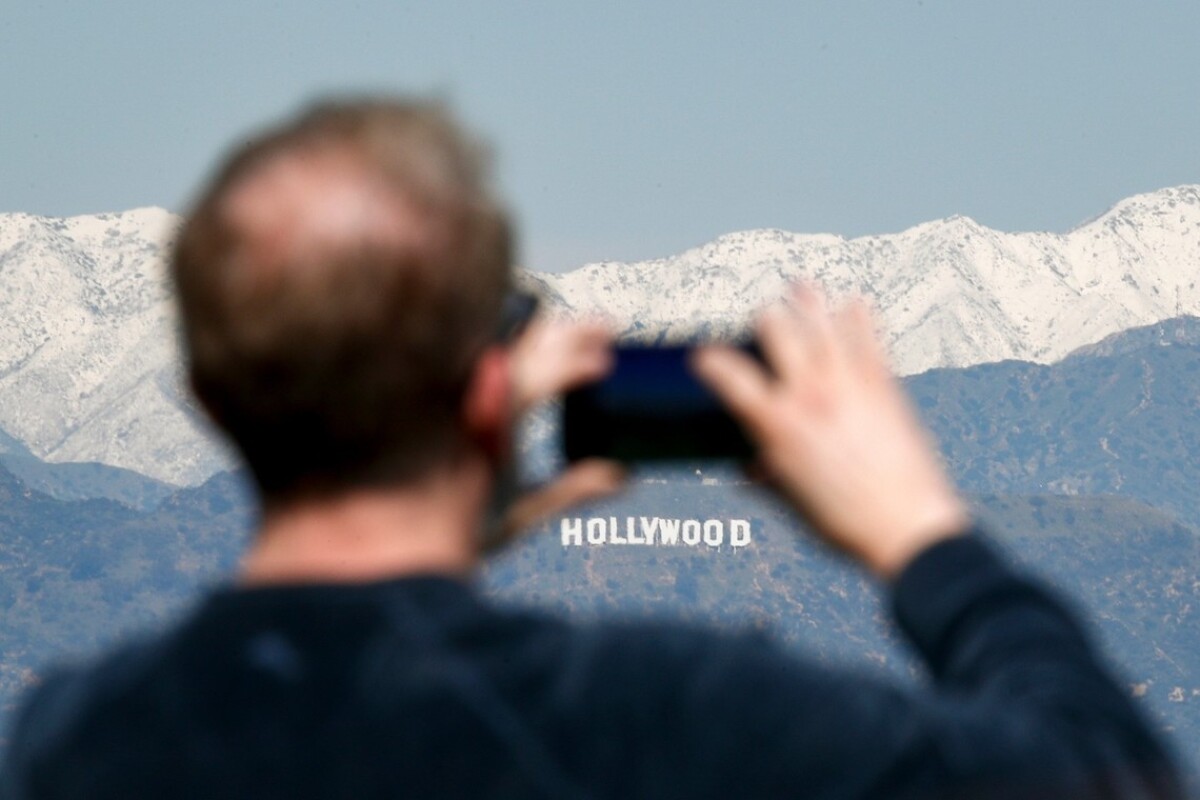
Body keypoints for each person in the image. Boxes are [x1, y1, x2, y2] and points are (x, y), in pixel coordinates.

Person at [0, 98, 1182, 799]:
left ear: (208, 393)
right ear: (492, 391)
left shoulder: (64, 743)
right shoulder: (663, 706)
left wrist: (445, 509)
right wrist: (925, 533)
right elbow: (1102, 772)